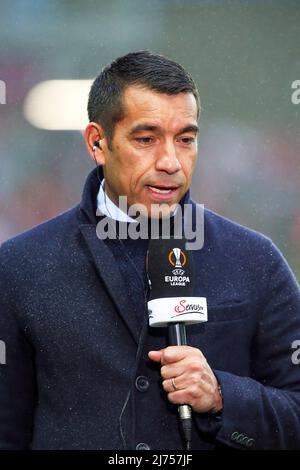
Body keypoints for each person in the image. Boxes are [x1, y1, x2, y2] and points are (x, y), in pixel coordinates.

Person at [0, 51, 300, 451]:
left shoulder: (255, 260)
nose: (171, 162)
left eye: (186, 139)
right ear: (98, 143)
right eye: (146, 139)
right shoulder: (21, 266)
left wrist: (223, 396)